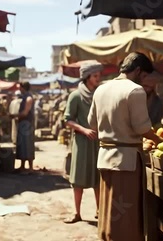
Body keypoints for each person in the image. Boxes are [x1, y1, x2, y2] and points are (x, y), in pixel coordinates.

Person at [88, 52, 163, 241]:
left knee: (108, 209)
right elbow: (143, 127)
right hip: (127, 160)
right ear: (138, 71)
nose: (144, 81)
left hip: (105, 156)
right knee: (126, 212)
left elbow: (92, 123)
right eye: (145, 76)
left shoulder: (101, 89)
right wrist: (161, 142)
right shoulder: (134, 90)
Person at [63, 61, 103, 224]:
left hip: (98, 142)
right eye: (95, 76)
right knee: (78, 178)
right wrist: (84, 130)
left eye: (98, 75)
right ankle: (77, 212)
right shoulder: (75, 96)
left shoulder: (100, 94)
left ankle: (100, 211)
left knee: (98, 178)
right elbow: (67, 120)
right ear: (87, 77)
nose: (98, 78)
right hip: (81, 142)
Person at [14, 82, 35, 174]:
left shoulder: (28, 98)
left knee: (28, 145)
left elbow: (25, 113)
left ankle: (30, 167)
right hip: (23, 123)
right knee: (22, 145)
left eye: (20, 88)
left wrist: (13, 115)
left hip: (27, 124)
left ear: (23, 88)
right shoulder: (24, 97)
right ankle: (22, 166)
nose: (19, 89)